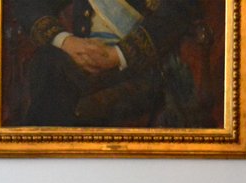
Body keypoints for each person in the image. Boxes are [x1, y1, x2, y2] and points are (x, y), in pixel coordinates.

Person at [12, 0, 205, 127]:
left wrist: (118, 55)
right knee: (49, 61)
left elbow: (177, 16)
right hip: (79, 60)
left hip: (137, 69)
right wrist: (66, 41)